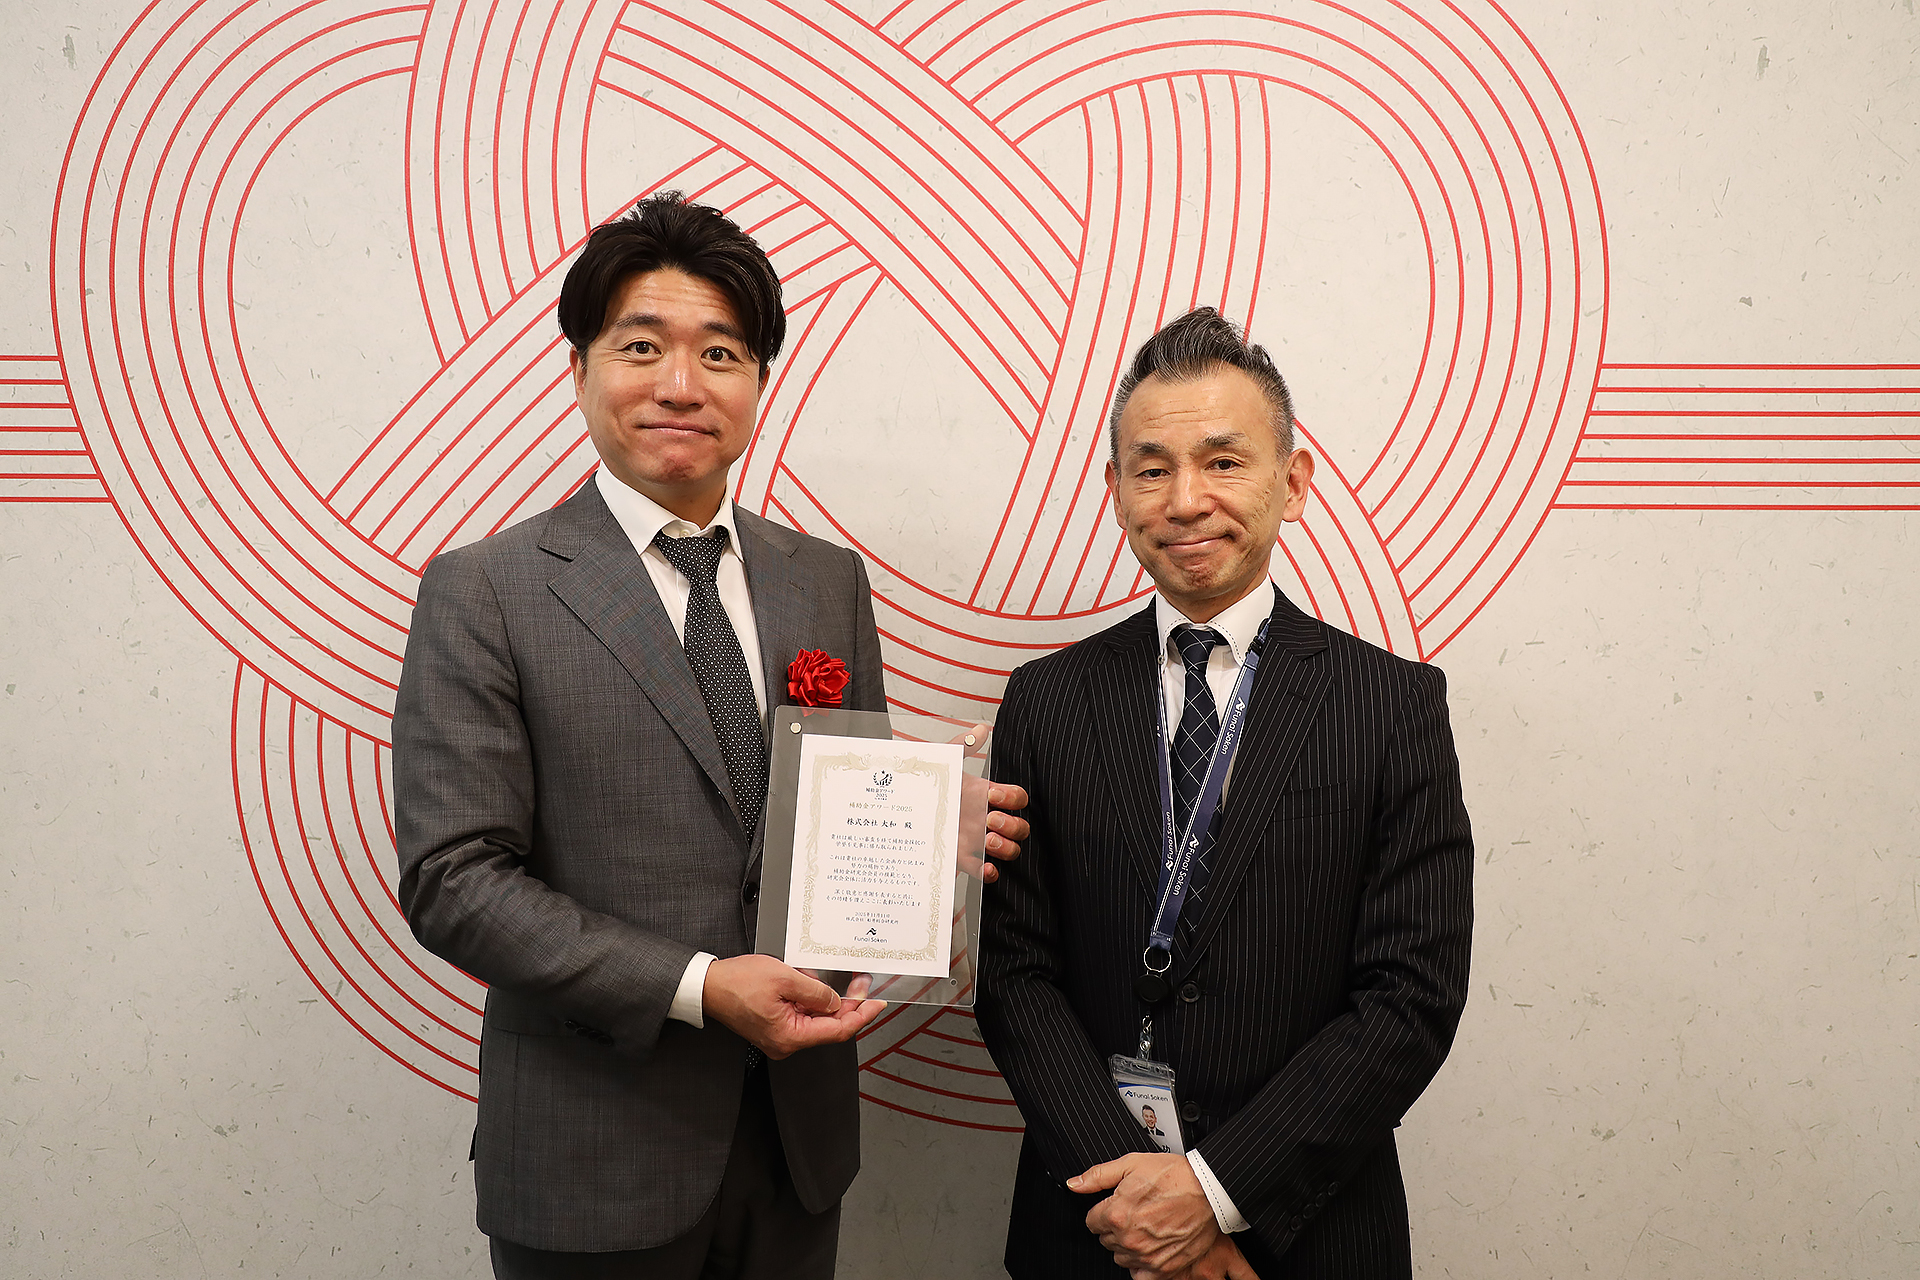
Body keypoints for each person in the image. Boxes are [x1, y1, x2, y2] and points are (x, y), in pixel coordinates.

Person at [393, 192, 1028, 1279]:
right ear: (579, 367)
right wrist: (698, 984)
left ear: (759, 381)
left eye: (721, 352)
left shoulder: (824, 580)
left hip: (796, 1147)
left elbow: (832, 828)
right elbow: (454, 880)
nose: (682, 384)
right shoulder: (487, 590)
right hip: (595, 1155)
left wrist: (926, 837)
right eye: (642, 346)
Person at [976, 308, 1474, 1280]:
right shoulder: (1046, 698)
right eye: (1152, 469)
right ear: (1114, 490)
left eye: (1224, 461)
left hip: (1310, 1230)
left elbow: (1410, 994)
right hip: (1093, 1227)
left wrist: (1214, 1193)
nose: (1185, 499)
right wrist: (1139, 1201)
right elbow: (1015, 973)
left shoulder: (1392, 704)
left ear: (1294, 482)